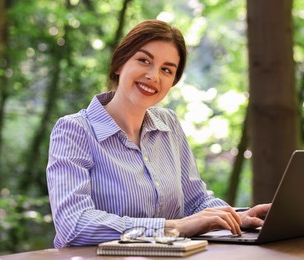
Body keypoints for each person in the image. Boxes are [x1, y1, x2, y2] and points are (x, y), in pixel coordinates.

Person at [46, 19, 270, 248]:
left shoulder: (169, 124)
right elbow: (73, 224)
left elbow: (196, 202)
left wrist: (235, 217)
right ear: (119, 64)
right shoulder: (75, 131)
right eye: (144, 60)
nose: (154, 76)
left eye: (166, 69)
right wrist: (172, 227)